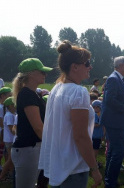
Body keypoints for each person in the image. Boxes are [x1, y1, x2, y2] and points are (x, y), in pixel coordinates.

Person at [38, 41, 102, 187]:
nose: (90, 66)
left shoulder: (56, 89)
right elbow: (80, 136)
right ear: (75, 67)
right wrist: (94, 169)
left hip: (59, 163)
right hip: (73, 166)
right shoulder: (78, 92)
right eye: (87, 63)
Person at [11, 58, 52, 188]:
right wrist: (51, 145)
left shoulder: (32, 94)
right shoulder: (27, 95)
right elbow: (38, 127)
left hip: (32, 148)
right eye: (41, 72)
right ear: (30, 74)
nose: (44, 75)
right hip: (28, 149)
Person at [100, 56, 124, 188]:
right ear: (120, 65)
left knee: (114, 150)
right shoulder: (113, 79)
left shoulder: (118, 78)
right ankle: (110, 182)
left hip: (116, 120)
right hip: (114, 121)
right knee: (118, 152)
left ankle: (109, 180)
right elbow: (109, 99)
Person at [0, 97, 16, 180]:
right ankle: (3, 176)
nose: (16, 106)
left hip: (10, 140)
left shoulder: (11, 114)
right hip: (9, 140)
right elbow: (11, 129)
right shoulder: (9, 115)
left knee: (11, 159)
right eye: (14, 104)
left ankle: (9, 174)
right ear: (10, 106)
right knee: (11, 159)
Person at [92, 100, 104, 168]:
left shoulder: (99, 114)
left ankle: (94, 161)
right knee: (95, 150)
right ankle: (94, 163)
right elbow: (94, 124)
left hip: (98, 135)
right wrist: (100, 124)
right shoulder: (94, 114)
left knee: (96, 149)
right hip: (95, 136)